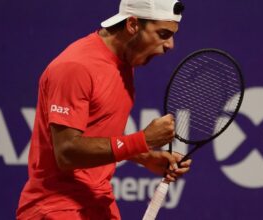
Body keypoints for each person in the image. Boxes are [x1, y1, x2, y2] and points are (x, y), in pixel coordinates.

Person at [16, 0, 191, 219]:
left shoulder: (123, 65)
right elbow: (67, 152)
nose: (170, 45)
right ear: (133, 25)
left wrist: (145, 157)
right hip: (56, 208)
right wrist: (142, 139)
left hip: (98, 204)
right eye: (163, 34)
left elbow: (97, 134)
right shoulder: (76, 67)